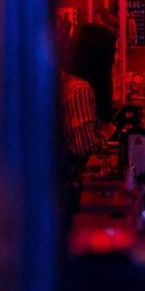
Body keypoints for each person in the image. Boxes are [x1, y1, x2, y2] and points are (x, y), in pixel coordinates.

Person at [60, 23, 117, 197]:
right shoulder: (81, 90)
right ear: (99, 56)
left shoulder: (72, 82)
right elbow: (84, 149)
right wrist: (108, 132)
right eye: (112, 52)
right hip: (74, 186)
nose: (115, 59)